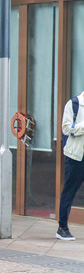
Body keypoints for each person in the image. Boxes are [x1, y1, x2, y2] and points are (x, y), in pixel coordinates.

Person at [57, 91, 84, 241]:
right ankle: (62, 228)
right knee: (69, 192)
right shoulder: (74, 104)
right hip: (76, 157)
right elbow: (66, 128)